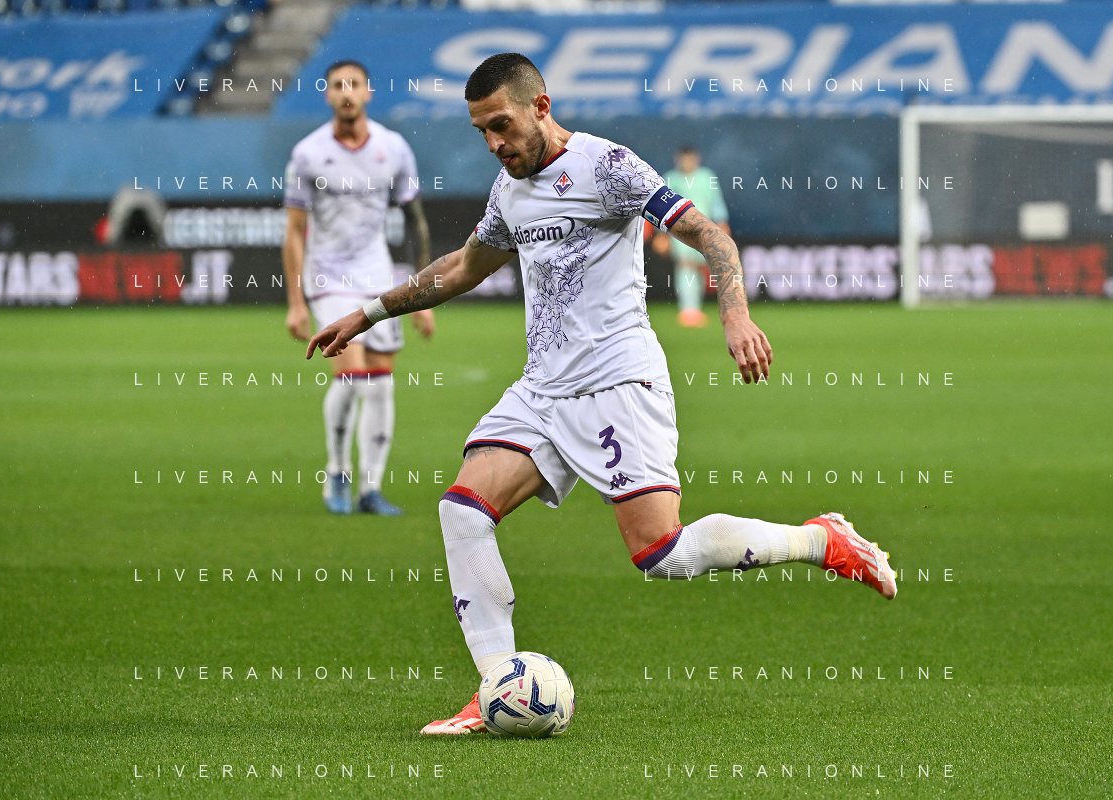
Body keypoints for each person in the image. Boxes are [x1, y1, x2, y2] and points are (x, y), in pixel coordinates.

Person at [306, 53, 896, 734]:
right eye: (481, 132)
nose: (494, 143)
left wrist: (734, 313)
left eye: (501, 125)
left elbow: (710, 236)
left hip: (618, 383)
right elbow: (466, 266)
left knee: (662, 555)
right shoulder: (509, 190)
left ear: (540, 107)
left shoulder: (606, 166)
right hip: (542, 389)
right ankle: (498, 683)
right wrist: (369, 313)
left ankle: (820, 541)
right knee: (462, 512)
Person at [283, 59, 435, 516]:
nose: (346, 92)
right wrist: (296, 302)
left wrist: (422, 296)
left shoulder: (394, 147)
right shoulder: (308, 154)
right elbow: (294, 230)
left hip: (377, 278)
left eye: (354, 85)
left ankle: (371, 489)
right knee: (352, 378)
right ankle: (336, 471)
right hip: (328, 278)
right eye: (337, 85)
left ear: (368, 92)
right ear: (327, 94)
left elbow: (416, 222)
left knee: (381, 385)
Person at [651, 145, 730, 327]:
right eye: (684, 159)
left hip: (705, 229)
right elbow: (659, 207)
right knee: (685, 265)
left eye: (690, 158)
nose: (687, 162)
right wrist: (660, 234)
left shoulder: (707, 177)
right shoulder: (671, 178)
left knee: (698, 266)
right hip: (679, 230)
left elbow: (716, 202)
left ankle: (694, 308)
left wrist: (722, 223)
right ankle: (688, 310)